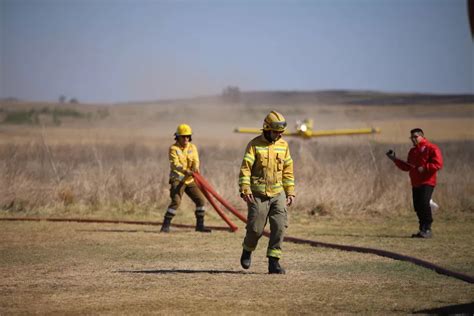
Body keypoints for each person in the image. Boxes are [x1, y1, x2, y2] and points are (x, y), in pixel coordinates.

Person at [238, 111, 295, 274]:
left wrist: (290, 192)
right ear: (267, 128)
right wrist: (245, 189)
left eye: (281, 132)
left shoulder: (284, 145)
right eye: (276, 131)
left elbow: (288, 170)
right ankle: (247, 250)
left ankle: (274, 262)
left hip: (278, 194)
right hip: (258, 194)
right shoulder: (254, 145)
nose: (279, 135)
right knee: (255, 229)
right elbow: (245, 169)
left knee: (279, 227)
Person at [386, 128, 443, 238]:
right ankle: (422, 230)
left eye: (415, 137)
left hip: (427, 181)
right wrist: (394, 159)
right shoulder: (413, 151)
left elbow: (438, 164)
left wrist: (425, 168)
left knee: (424, 204)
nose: (413, 139)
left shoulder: (432, 148)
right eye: (411, 137)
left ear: (422, 136)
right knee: (417, 206)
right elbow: (407, 167)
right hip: (415, 182)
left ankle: (427, 229)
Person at [160, 124, 211, 233]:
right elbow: (174, 164)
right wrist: (185, 170)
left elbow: (196, 160)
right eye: (183, 136)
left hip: (190, 180)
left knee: (201, 200)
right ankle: (165, 225)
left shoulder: (192, 147)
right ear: (177, 137)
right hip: (177, 180)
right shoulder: (173, 149)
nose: (186, 139)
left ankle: (200, 226)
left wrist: (196, 168)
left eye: (188, 136)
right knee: (176, 202)